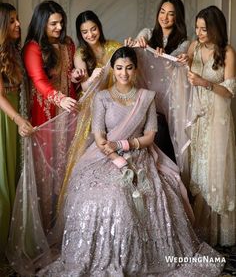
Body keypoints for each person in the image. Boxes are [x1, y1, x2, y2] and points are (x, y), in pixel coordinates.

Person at [23, 46, 222, 276]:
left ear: (136, 70)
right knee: (101, 195)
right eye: (119, 68)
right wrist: (116, 158)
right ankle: (101, 254)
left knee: (146, 193)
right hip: (105, 156)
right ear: (112, 69)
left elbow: (150, 136)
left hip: (140, 155)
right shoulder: (102, 97)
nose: (124, 73)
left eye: (128, 68)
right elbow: (99, 136)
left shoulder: (146, 97)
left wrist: (125, 146)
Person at [187, 5, 236, 246]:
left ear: (215, 28)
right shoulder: (194, 47)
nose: (199, 33)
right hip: (198, 115)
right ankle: (201, 230)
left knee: (215, 168)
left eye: (204, 29)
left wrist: (204, 82)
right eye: (197, 28)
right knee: (199, 167)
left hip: (218, 117)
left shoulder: (227, 52)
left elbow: (229, 92)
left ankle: (219, 232)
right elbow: (182, 74)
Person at [126, 0, 190, 162]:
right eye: (162, 12)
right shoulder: (147, 33)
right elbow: (136, 51)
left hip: (171, 101)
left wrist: (167, 61)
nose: (165, 17)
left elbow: (176, 71)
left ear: (178, 18)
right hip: (148, 96)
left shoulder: (184, 43)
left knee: (166, 145)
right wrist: (133, 44)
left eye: (170, 14)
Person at [0, 3, 33, 270]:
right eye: (12, 21)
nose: (18, 25)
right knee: (2, 185)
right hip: (4, 119)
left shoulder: (14, 51)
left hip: (12, 119)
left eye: (18, 19)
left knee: (12, 180)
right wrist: (19, 118)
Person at [23, 0, 79, 127]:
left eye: (61, 22)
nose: (59, 27)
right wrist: (60, 99)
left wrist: (75, 76)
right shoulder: (33, 47)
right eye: (54, 24)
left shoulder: (67, 43)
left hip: (69, 103)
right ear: (42, 25)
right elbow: (39, 80)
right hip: (47, 106)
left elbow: (68, 71)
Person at [74, 10, 121, 94]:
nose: (90, 35)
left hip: (114, 94)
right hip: (92, 99)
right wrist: (92, 78)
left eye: (93, 29)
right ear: (80, 34)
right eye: (85, 32)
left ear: (99, 27)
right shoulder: (80, 55)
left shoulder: (113, 46)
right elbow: (84, 87)